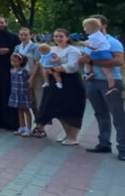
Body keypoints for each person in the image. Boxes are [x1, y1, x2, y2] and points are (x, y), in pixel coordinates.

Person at [80, 15, 125, 160]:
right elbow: (82, 60)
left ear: (103, 25)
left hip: (110, 81)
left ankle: (123, 148)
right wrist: (85, 61)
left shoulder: (113, 42)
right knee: (100, 114)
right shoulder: (88, 42)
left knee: (117, 115)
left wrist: (94, 62)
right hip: (93, 81)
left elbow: (119, 61)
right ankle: (104, 143)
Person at [32, 29, 86, 146]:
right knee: (57, 108)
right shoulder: (51, 49)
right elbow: (43, 62)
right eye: (56, 36)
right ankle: (67, 135)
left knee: (70, 108)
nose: (58, 38)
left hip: (70, 82)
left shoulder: (72, 50)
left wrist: (53, 69)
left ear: (67, 37)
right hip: (53, 81)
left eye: (61, 36)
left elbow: (72, 66)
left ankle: (73, 137)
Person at [0, 17, 20, 130]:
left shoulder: (14, 38)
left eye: (2, 22)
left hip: (11, 70)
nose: (0, 24)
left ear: (6, 23)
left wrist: (9, 50)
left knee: (10, 94)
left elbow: (18, 52)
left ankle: (12, 122)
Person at [80, 18, 114, 94]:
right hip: (103, 53)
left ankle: (89, 73)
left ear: (91, 27)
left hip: (100, 54)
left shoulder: (94, 36)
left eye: (85, 27)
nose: (84, 29)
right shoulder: (98, 34)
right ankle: (111, 86)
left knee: (86, 59)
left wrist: (84, 44)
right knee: (106, 71)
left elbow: (93, 47)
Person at [15, 28, 42, 124]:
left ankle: (40, 125)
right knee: (26, 101)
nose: (23, 37)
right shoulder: (17, 47)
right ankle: (25, 126)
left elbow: (37, 63)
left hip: (34, 76)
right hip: (21, 77)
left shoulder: (35, 47)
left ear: (30, 35)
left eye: (25, 35)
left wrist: (31, 77)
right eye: (21, 35)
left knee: (36, 100)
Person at [8, 53, 32, 137]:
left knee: (26, 110)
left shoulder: (24, 71)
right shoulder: (12, 70)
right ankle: (22, 127)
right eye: (12, 61)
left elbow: (29, 81)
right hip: (15, 92)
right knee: (19, 110)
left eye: (15, 61)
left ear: (20, 61)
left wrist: (29, 91)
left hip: (23, 93)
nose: (13, 63)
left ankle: (28, 128)